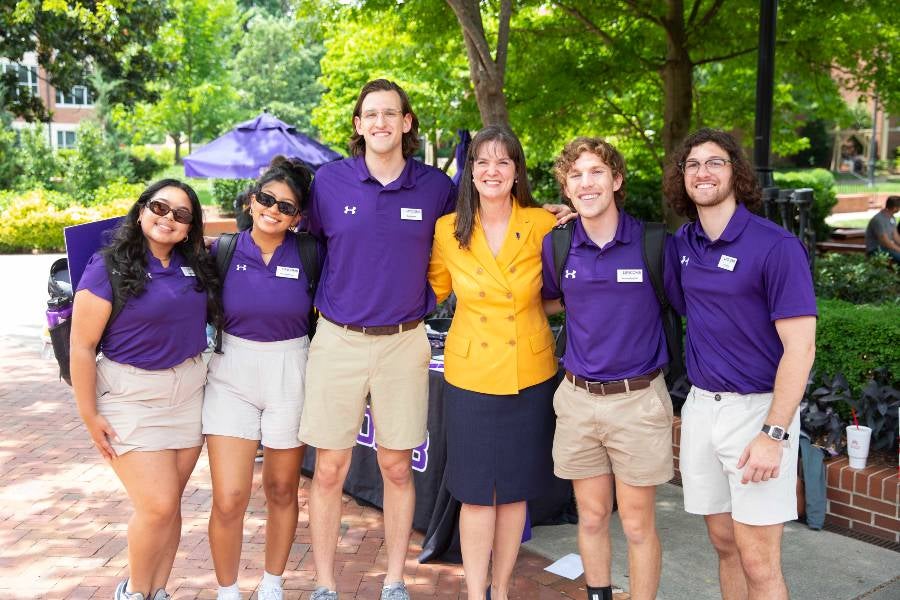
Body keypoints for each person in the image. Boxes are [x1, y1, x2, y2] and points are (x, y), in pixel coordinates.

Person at [297, 79, 457, 600]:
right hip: (337, 339)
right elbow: (308, 246)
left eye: (392, 113)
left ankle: (394, 581)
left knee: (395, 465)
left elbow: (471, 238)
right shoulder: (328, 183)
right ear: (358, 125)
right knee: (329, 468)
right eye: (372, 114)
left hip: (404, 343)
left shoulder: (436, 188)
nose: (382, 122)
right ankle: (323, 583)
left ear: (407, 123)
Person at [663, 128, 817, 600]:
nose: (702, 172)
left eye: (715, 162)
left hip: (758, 414)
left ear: (737, 174)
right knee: (724, 544)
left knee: (758, 559)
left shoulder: (775, 246)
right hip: (702, 408)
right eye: (692, 164)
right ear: (682, 178)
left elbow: (801, 348)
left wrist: (774, 434)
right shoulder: (682, 244)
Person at [540, 137, 678, 600]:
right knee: (592, 516)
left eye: (596, 171)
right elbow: (552, 301)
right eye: (575, 175)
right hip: (578, 401)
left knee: (638, 524)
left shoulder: (653, 242)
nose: (586, 182)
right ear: (566, 188)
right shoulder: (558, 245)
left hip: (637, 401)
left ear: (616, 180)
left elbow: (682, 306)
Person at [70, 179, 221, 600]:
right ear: (141, 211)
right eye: (160, 207)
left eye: (181, 214)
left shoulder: (195, 265)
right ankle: (133, 592)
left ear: (190, 228)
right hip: (129, 397)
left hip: (188, 393)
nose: (168, 218)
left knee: (169, 506)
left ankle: (158, 591)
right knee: (156, 505)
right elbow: (81, 347)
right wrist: (89, 414)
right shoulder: (108, 265)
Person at [427, 126, 558, 600]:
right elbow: (431, 291)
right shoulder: (448, 228)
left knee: (515, 493)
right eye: (482, 162)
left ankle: (501, 590)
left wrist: (522, 310)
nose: (492, 171)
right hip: (471, 375)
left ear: (517, 170)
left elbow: (566, 291)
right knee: (477, 493)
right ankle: (474, 590)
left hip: (529, 370)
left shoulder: (544, 223)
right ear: (470, 172)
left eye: (503, 161)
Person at [203, 157, 314, 600]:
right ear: (251, 200)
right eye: (266, 199)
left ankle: (273, 585)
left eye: (286, 206)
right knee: (229, 496)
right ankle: (227, 591)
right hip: (231, 372)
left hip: (291, 369)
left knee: (282, 488)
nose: (273, 210)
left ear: (298, 217)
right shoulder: (222, 250)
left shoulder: (309, 252)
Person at [864, 195, 900, 262]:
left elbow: (896, 236)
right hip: (876, 250)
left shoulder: (892, 218)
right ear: (895, 208)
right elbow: (885, 242)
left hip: (887, 248)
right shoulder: (879, 220)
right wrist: (898, 249)